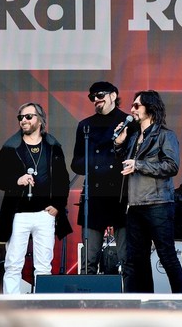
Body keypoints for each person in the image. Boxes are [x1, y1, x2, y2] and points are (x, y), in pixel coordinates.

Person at [0, 102, 72, 294]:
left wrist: (58, 206)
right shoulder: (11, 147)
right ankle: (11, 309)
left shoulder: (53, 146)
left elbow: (63, 179)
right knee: (13, 265)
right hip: (18, 213)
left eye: (28, 116)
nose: (24, 121)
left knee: (44, 267)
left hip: (45, 214)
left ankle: (42, 308)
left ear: (40, 119)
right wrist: (16, 180)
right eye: (21, 117)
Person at [113, 90, 182, 293]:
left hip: (158, 204)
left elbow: (172, 166)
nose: (132, 109)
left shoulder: (165, 135)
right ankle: (146, 302)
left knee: (167, 256)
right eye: (132, 105)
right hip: (135, 205)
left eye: (137, 106)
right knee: (138, 260)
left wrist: (139, 165)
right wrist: (118, 144)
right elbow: (126, 165)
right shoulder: (134, 136)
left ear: (150, 109)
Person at [71, 81, 128, 274]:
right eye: (92, 97)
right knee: (89, 258)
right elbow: (76, 163)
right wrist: (96, 159)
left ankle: (131, 300)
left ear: (113, 95)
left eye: (101, 95)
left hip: (122, 194)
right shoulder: (85, 125)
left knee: (127, 257)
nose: (96, 99)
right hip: (94, 195)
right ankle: (88, 301)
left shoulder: (128, 121)